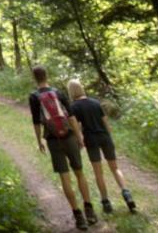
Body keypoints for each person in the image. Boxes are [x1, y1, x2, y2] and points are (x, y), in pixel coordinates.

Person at [29, 65, 96, 229]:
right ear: (47, 76)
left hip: (53, 140)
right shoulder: (58, 92)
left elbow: (36, 122)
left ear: (35, 78)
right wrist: (80, 137)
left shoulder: (34, 96)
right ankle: (89, 211)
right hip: (69, 136)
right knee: (79, 173)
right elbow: (71, 117)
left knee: (64, 177)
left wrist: (39, 141)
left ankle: (78, 215)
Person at [67, 78, 136, 214]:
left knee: (99, 173)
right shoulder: (95, 102)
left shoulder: (74, 107)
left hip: (91, 139)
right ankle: (126, 192)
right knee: (115, 168)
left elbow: (77, 127)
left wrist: (79, 140)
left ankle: (106, 202)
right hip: (104, 137)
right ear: (81, 88)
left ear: (71, 91)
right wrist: (109, 138)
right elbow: (106, 123)